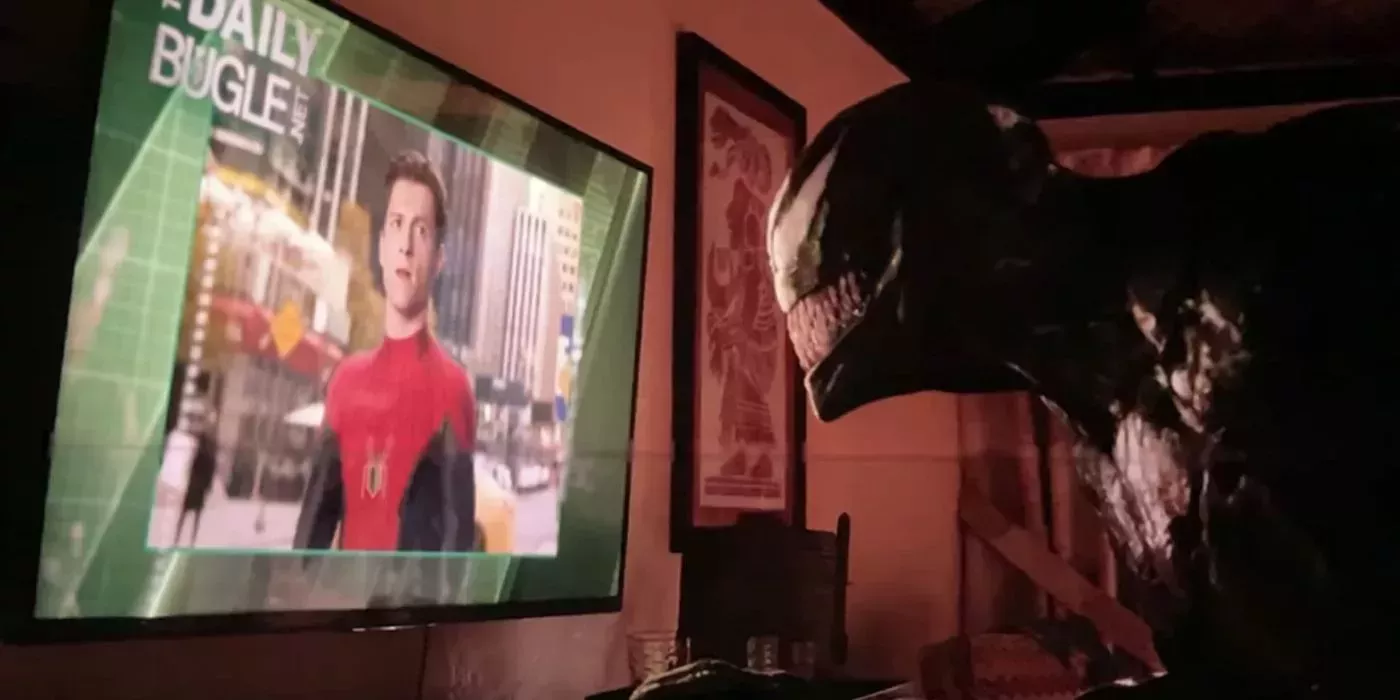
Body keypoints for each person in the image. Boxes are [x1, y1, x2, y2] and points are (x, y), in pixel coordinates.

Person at [294, 150, 478, 552]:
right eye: (397, 224)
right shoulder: (345, 382)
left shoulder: (454, 389)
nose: (406, 246)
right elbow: (308, 541)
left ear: (439, 259)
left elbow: (457, 551)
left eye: (421, 230)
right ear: (381, 246)